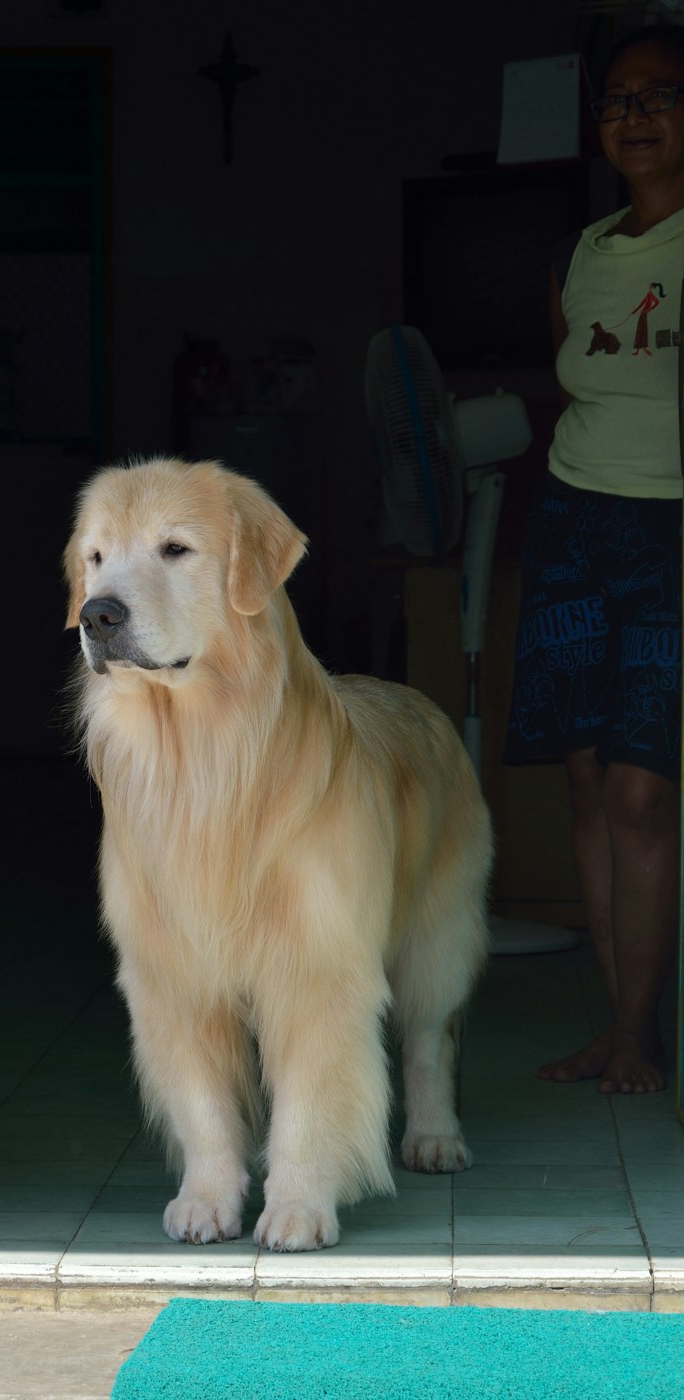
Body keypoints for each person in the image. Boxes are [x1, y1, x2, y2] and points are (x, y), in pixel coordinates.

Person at [504, 23, 683, 1094]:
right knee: (581, 778)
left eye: (660, 94)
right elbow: (577, 386)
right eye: (617, 100)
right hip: (575, 521)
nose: (634, 115)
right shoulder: (582, 251)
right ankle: (619, 1032)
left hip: (668, 529)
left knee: (640, 791)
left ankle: (642, 1029)